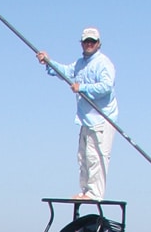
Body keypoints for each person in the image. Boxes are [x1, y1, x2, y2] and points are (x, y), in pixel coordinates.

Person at [36, 27, 118, 200]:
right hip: (85, 119)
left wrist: (83, 88)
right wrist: (49, 62)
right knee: (84, 157)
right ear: (81, 43)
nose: (89, 44)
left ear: (99, 44)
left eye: (92, 41)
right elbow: (65, 72)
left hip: (102, 118)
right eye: (86, 41)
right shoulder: (80, 63)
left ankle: (95, 193)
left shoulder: (104, 63)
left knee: (96, 156)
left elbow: (106, 86)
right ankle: (86, 191)